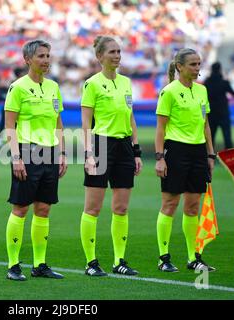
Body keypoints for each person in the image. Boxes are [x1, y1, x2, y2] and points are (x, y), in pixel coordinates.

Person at [4, 40, 67, 281]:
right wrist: (16, 157)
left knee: (44, 208)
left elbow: (58, 123)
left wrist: (61, 153)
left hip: (50, 152)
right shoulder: (17, 88)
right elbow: (10, 125)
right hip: (27, 152)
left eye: (48, 55)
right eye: (41, 55)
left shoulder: (53, 87)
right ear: (28, 59)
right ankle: (13, 265)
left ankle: (39, 264)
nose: (46, 59)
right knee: (20, 208)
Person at [80, 36, 142, 277]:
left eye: (119, 51)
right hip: (100, 145)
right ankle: (91, 262)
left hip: (124, 147)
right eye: (112, 52)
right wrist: (88, 153)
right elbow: (86, 121)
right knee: (93, 208)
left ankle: (119, 261)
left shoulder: (127, 83)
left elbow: (131, 118)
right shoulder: (91, 84)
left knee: (121, 207)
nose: (117, 55)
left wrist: (136, 151)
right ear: (100, 57)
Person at [155, 48, 216, 273]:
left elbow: (206, 125)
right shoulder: (168, 92)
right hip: (176, 151)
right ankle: (164, 258)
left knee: (192, 207)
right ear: (179, 66)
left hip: (198, 152)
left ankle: (194, 257)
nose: (197, 68)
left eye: (199, 64)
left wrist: (210, 154)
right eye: (192, 64)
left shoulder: (202, 91)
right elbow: (160, 129)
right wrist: (160, 158)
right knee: (170, 204)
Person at [204, 62, 234, 150]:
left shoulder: (207, 82)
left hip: (211, 112)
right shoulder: (224, 82)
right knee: (227, 135)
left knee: (211, 135)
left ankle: (211, 154)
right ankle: (229, 154)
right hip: (223, 112)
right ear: (220, 70)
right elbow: (233, 94)